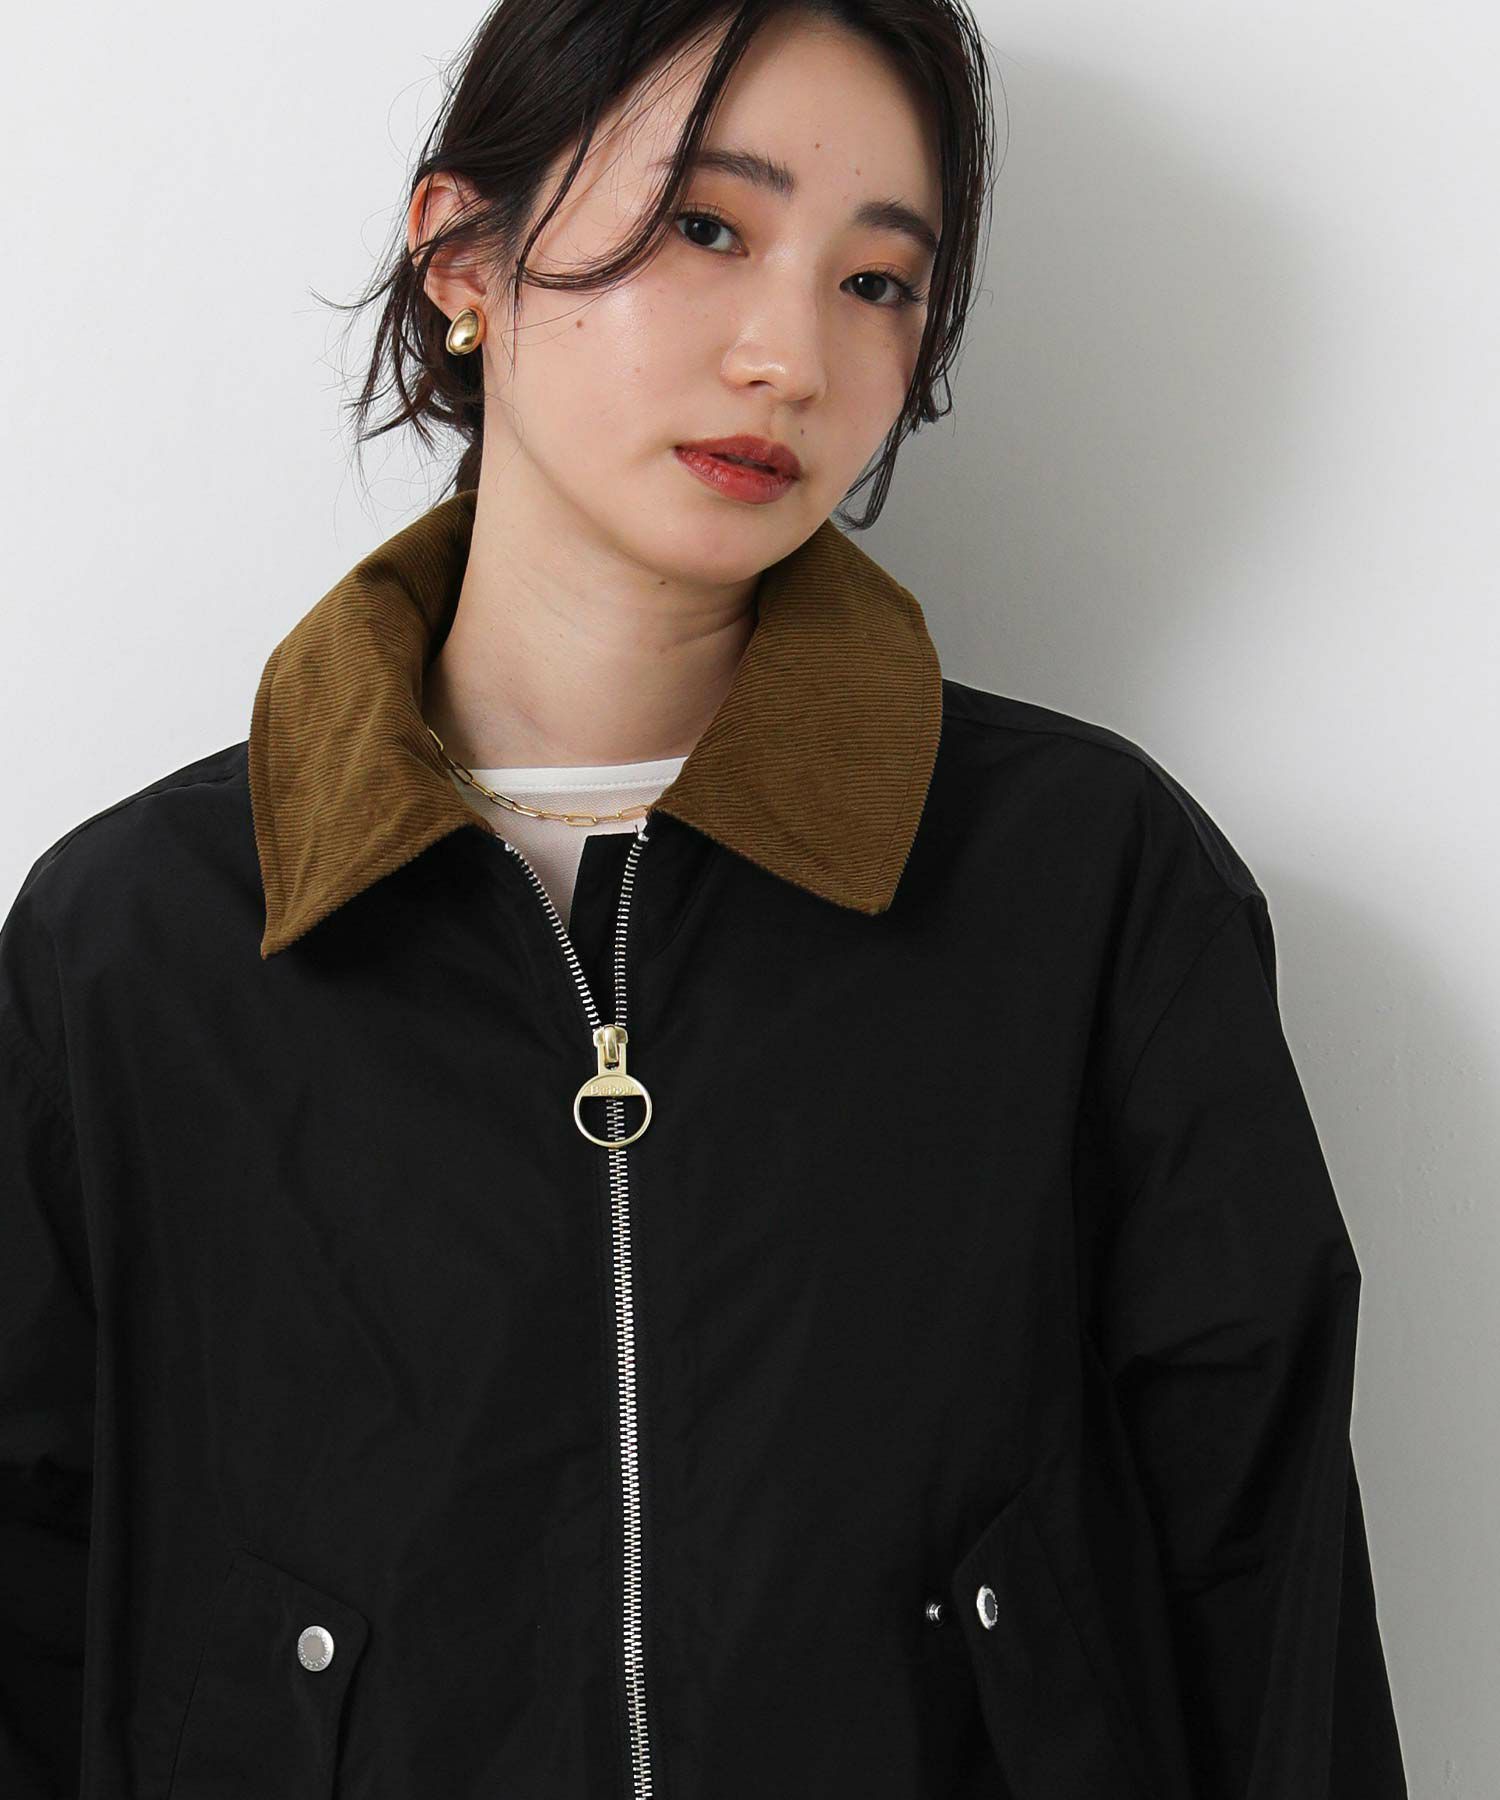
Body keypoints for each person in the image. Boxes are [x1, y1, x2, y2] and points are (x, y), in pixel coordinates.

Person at [0, 2, 1407, 1796]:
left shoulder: (1091, 891)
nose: (790, 357)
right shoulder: (135, 947)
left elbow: (1268, 1600)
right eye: (706, 227)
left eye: (878, 282)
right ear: (465, 256)